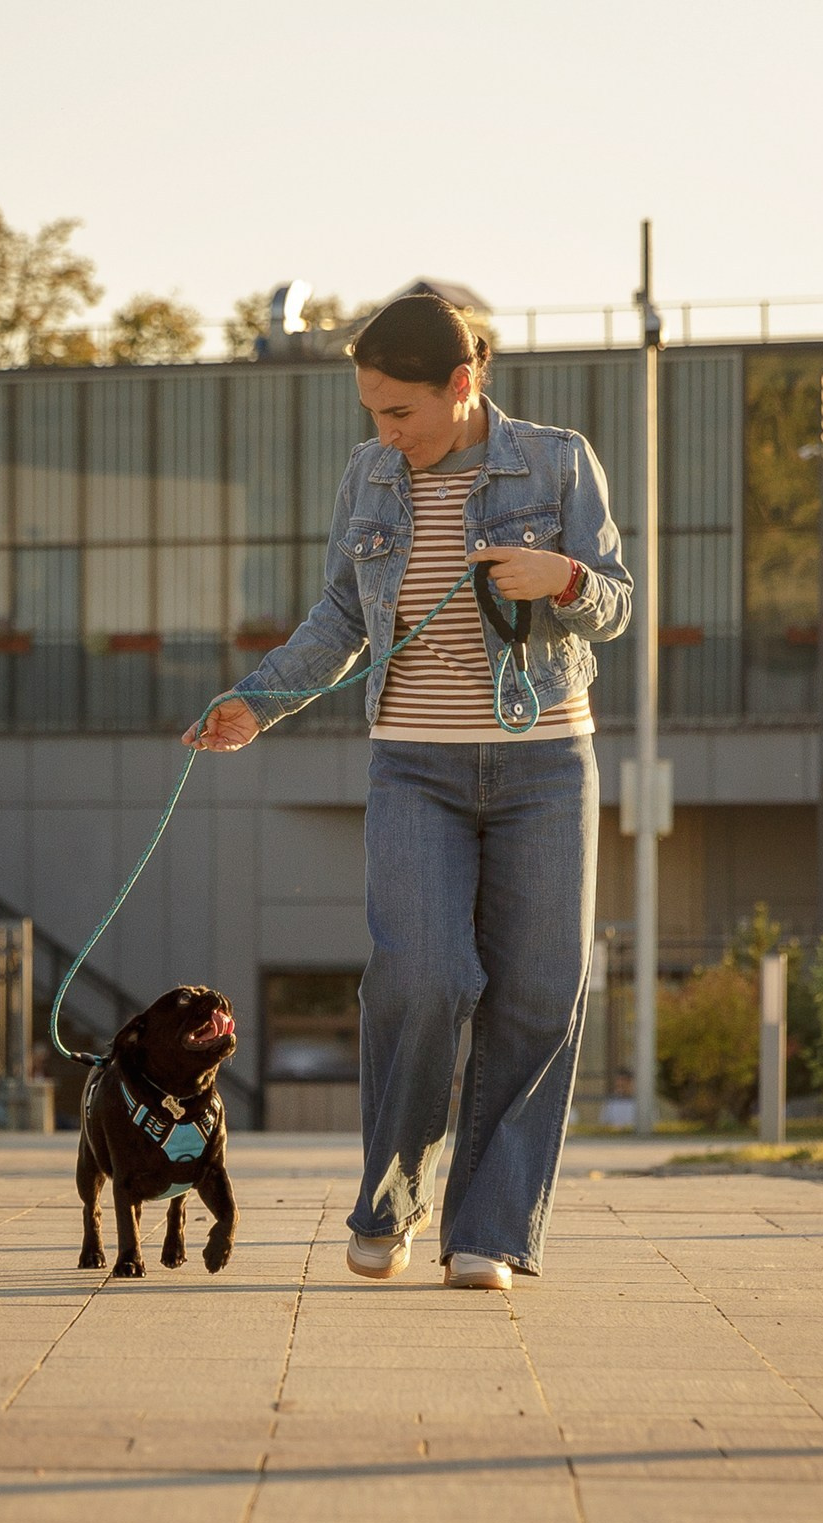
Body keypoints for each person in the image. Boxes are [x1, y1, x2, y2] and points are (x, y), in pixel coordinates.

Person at [183, 293, 632, 1289]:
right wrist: (257, 701)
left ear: (460, 385)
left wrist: (559, 578)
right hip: (413, 767)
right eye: (373, 412)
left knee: (537, 997)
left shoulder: (559, 462)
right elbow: (340, 613)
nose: (384, 434)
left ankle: (487, 1233)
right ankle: (390, 1199)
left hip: (547, 768)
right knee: (418, 979)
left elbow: (613, 603)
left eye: (400, 413)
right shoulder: (369, 476)